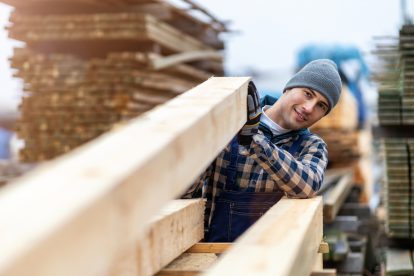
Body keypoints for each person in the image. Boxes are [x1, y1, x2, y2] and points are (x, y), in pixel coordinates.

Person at [183, 59, 342, 242]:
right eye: (308, 94)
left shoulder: (312, 146)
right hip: (215, 257)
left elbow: (307, 185)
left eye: (321, 106)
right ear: (289, 88)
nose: (308, 108)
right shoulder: (230, 127)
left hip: (271, 261)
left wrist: (253, 139)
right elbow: (186, 191)